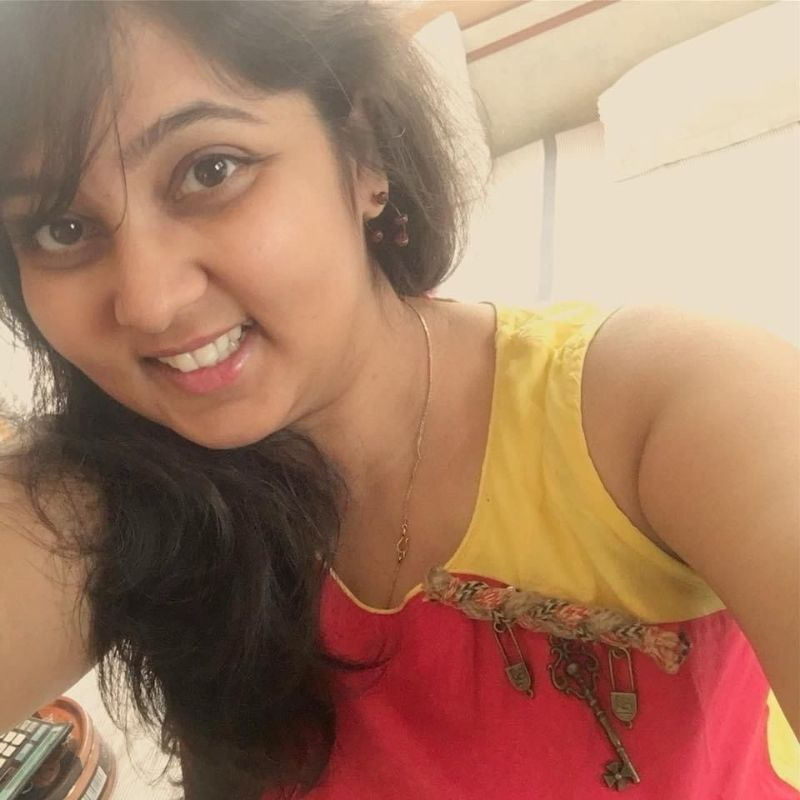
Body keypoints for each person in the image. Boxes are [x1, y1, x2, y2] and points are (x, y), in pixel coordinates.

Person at [0, 2, 797, 799]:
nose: (148, 302)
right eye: (60, 227)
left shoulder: (667, 407)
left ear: (363, 154)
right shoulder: (105, 502)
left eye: (211, 170)